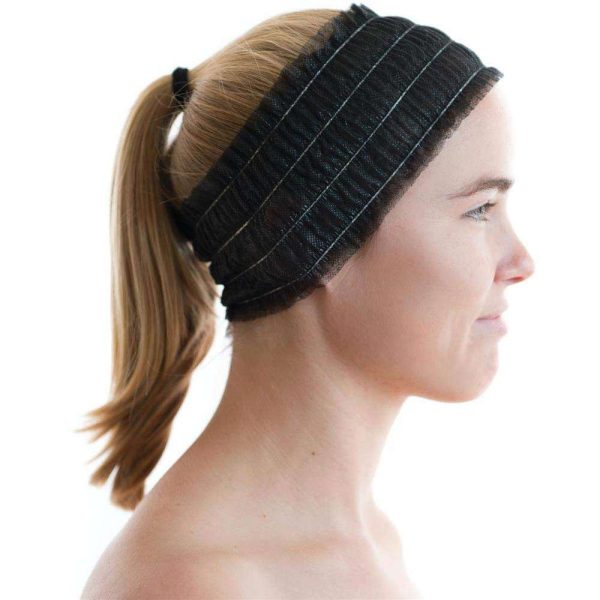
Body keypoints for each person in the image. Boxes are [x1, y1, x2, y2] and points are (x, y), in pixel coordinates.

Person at [79, 4, 535, 598]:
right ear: (313, 236)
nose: (522, 262)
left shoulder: (371, 542)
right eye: (479, 209)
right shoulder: (194, 582)